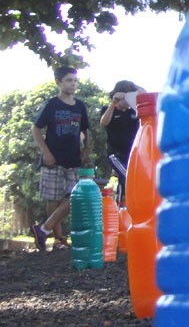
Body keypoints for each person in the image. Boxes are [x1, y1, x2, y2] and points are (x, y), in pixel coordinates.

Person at [30, 66, 91, 252]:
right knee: (53, 199)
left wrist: (86, 149)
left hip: (73, 160)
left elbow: (85, 130)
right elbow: (36, 128)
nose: (73, 84)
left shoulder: (80, 106)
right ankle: (58, 240)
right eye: (68, 80)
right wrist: (46, 153)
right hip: (53, 159)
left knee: (76, 196)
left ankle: (43, 229)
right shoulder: (52, 104)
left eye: (75, 80)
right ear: (58, 82)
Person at [100, 80, 142, 204]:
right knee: (127, 175)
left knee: (130, 179)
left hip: (132, 154)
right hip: (115, 154)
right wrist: (114, 103)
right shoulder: (109, 110)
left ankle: (125, 204)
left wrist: (138, 95)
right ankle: (124, 205)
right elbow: (104, 122)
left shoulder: (134, 112)